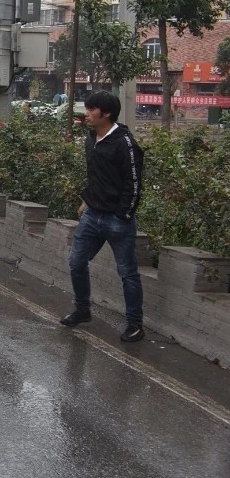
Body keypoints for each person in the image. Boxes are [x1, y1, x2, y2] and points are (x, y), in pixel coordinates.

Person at [60, 90, 146, 343]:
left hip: (117, 220)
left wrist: (123, 215)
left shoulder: (125, 143)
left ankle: (135, 325)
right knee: (76, 262)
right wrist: (86, 200)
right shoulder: (91, 138)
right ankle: (83, 310)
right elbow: (96, 175)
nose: (86, 113)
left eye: (91, 109)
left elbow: (134, 183)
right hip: (92, 215)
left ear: (106, 113)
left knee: (127, 273)